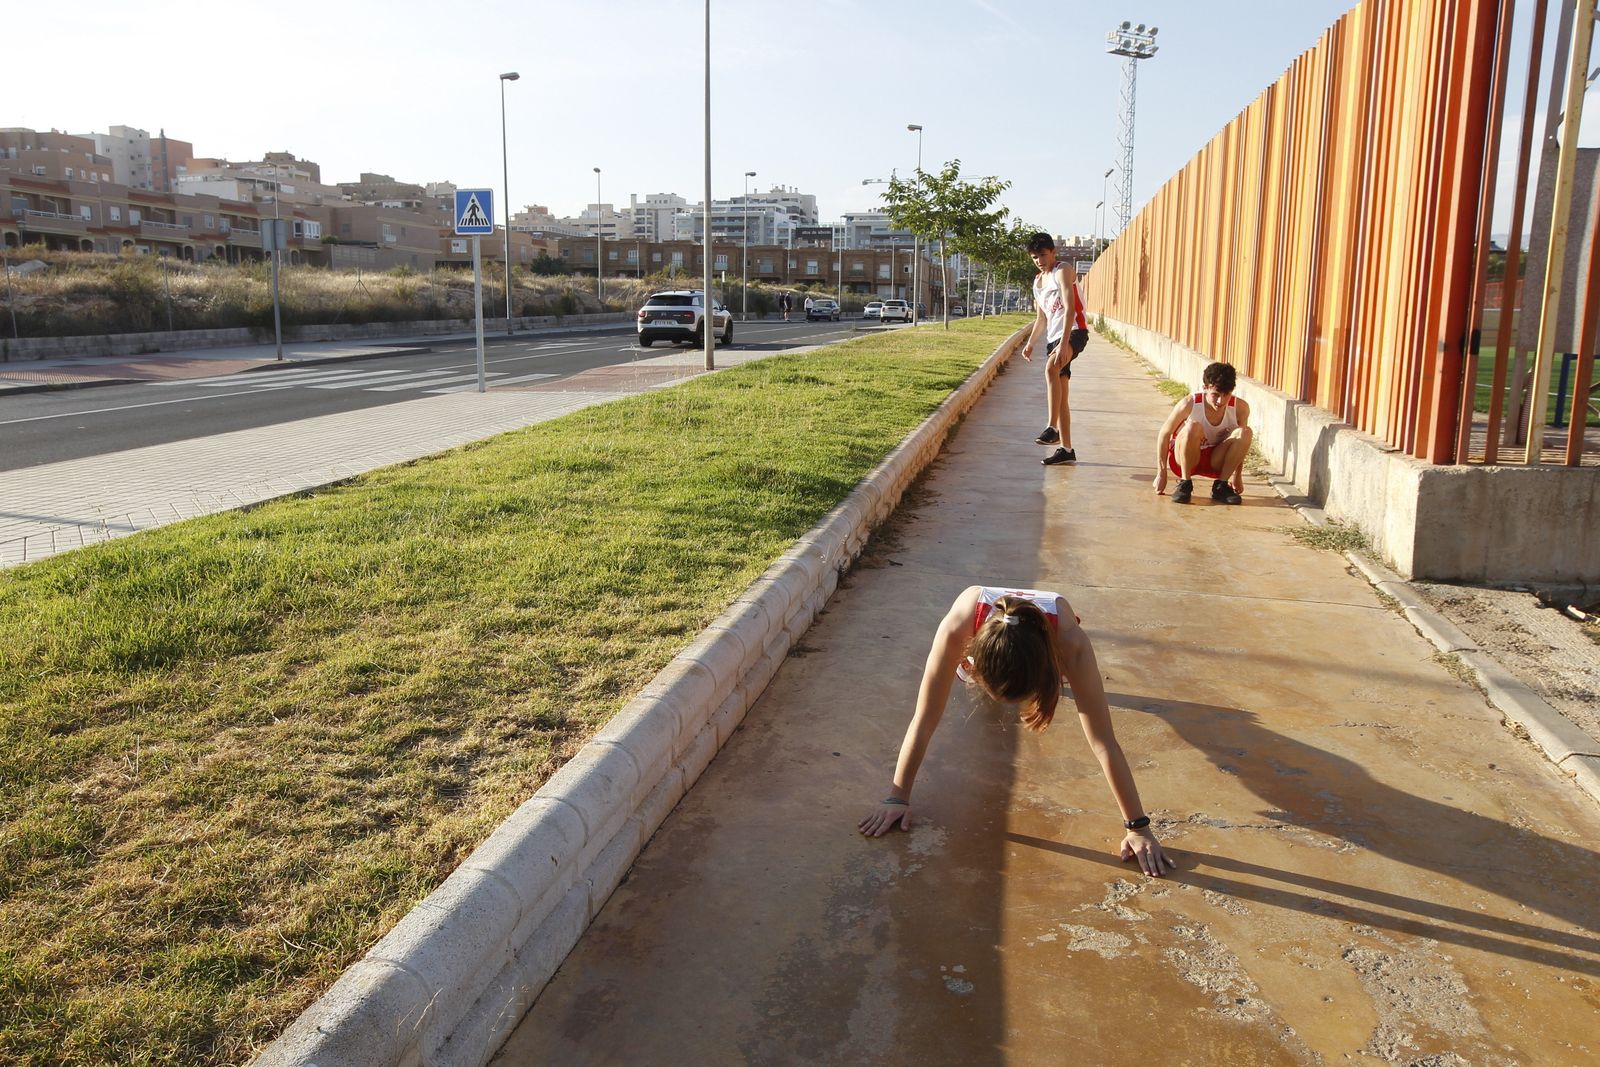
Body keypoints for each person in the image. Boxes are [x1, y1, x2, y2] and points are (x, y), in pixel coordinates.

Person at [858, 584, 1176, 878]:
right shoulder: (958, 628)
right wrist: (897, 797)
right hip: (981, 633)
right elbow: (925, 718)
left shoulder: (1070, 642)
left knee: (1090, 698)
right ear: (972, 663)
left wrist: (1138, 827)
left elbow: (1103, 740)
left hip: (1050, 641)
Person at [1019, 233, 1088, 466]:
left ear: (1053, 252)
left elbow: (1069, 310)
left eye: (1043, 255)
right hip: (1054, 338)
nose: (1039, 260)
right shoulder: (1038, 282)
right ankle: (1066, 449)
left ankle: (1051, 428)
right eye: (1034, 257)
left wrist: (1063, 344)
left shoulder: (1063, 270)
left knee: (1051, 368)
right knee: (1062, 396)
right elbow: (1041, 318)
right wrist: (1030, 343)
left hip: (1075, 332)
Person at [1153, 361, 1253, 505]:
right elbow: (1164, 433)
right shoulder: (1189, 403)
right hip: (1186, 457)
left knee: (1245, 433)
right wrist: (1161, 473)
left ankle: (1221, 486)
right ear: (1205, 388)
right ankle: (1185, 484)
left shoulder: (1241, 408)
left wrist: (1237, 476)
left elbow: (1242, 446)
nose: (1221, 401)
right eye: (1216, 395)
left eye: (1226, 395)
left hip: (1216, 460)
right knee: (1192, 427)